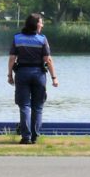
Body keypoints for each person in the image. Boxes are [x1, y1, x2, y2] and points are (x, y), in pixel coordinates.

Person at [7, 13, 59, 144]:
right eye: (41, 22)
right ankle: (35, 136)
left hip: (22, 73)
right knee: (38, 106)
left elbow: (12, 58)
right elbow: (48, 60)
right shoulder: (42, 39)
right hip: (38, 74)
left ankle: (26, 137)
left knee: (24, 106)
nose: (42, 25)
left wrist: (9, 75)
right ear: (36, 25)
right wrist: (54, 77)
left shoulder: (17, 38)